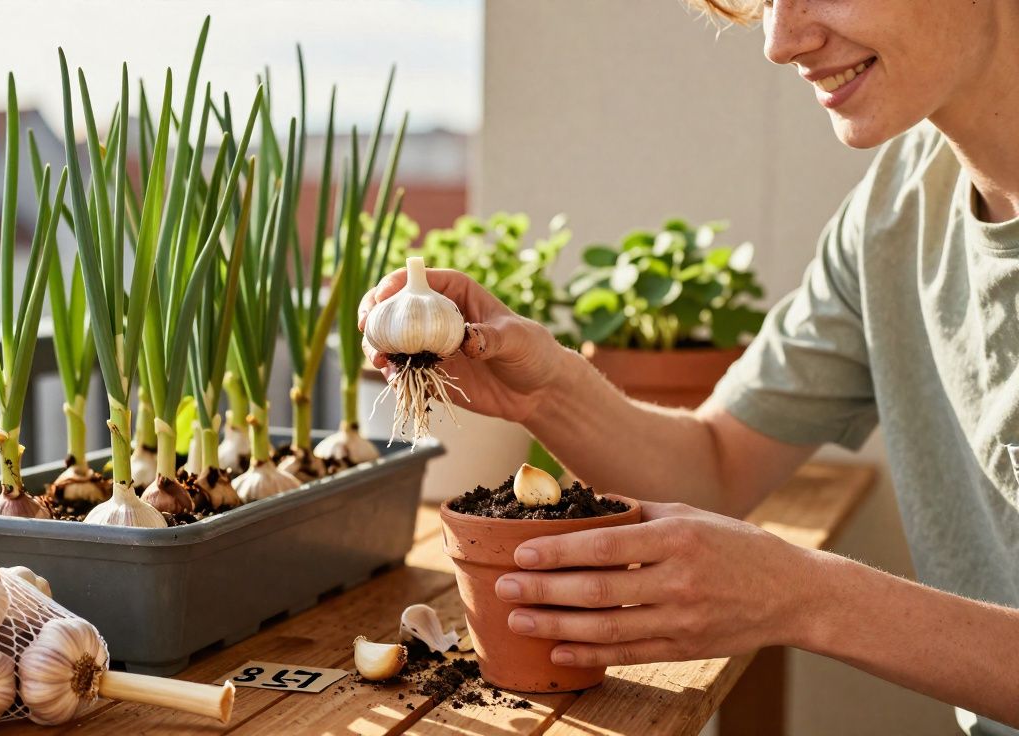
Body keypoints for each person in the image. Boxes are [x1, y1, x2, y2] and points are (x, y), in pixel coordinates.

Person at [358, 0, 1019, 732]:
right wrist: (546, 389)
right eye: (765, 0)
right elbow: (717, 466)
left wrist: (807, 598)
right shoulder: (897, 208)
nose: (779, 41)